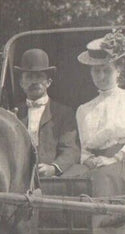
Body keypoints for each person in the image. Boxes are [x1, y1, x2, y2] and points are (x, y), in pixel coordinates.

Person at [63, 29, 125, 198]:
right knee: (65, 181)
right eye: (96, 71)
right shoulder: (84, 110)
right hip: (96, 164)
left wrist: (114, 159)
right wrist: (89, 159)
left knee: (100, 179)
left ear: (118, 70)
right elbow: (85, 148)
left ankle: (96, 220)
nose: (101, 76)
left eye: (107, 70)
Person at [13, 48, 80, 178]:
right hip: (18, 177)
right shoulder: (13, 114)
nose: (34, 81)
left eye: (39, 76)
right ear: (21, 83)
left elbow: (71, 149)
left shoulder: (63, 113)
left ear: (48, 82)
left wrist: (54, 168)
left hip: (51, 180)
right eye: (29, 77)